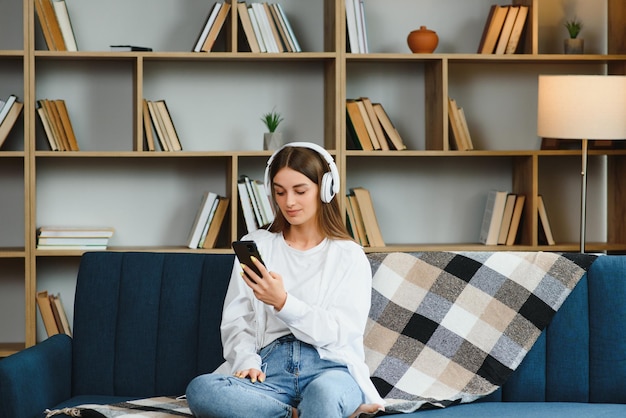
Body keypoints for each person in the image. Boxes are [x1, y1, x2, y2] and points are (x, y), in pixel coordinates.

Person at [186, 142, 385, 418]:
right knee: (201, 390)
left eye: (300, 191)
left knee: (324, 395)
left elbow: (339, 332)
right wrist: (246, 361)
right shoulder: (257, 245)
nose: (289, 202)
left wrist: (283, 302)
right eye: (280, 192)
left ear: (326, 189)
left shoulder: (348, 255)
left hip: (330, 368)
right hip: (269, 371)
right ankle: (296, 413)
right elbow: (237, 321)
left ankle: (314, 408)